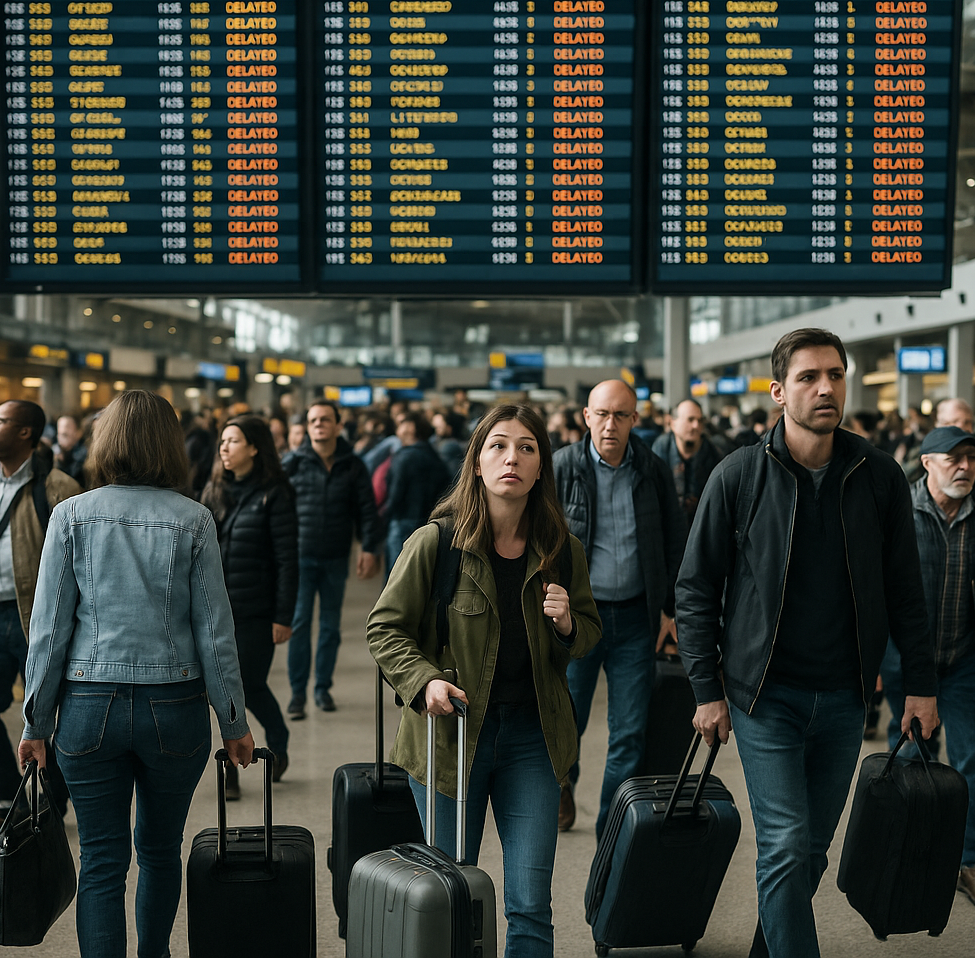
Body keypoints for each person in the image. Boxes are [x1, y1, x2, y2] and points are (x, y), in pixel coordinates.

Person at [675, 328, 939, 958]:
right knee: (787, 844)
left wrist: (921, 686)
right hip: (766, 696)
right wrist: (706, 689)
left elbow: (906, 592)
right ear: (778, 392)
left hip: (846, 697)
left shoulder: (878, 476)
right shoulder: (739, 476)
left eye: (836, 375)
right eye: (808, 377)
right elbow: (695, 589)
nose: (826, 388)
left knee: (810, 850)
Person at [17, 390, 253, 958]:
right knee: (160, 850)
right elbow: (214, 633)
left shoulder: (71, 516)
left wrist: (35, 723)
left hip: (87, 707)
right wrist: (234, 721)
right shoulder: (194, 520)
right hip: (174, 707)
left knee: (101, 858)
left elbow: (48, 632)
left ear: (106, 441)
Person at [367, 404, 601, 958]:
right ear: (477, 462)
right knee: (450, 896)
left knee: (530, 904)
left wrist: (568, 624)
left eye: (526, 448)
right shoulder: (436, 543)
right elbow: (385, 628)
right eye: (498, 445)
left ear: (540, 468)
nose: (511, 458)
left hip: (533, 739)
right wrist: (424, 681)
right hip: (452, 739)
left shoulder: (562, 552)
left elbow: (589, 633)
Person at [553, 380, 687, 837]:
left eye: (621, 415)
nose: (610, 425)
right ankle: (563, 784)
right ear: (586, 417)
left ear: (634, 419)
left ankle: (611, 828)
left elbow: (674, 541)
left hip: (635, 619)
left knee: (629, 732)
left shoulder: (652, 469)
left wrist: (669, 609)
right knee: (568, 721)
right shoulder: (563, 467)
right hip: (578, 620)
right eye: (602, 414)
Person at [0, 401, 82, 843]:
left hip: (39, 623)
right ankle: (14, 802)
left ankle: (51, 806)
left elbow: (77, 563)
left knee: (50, 720)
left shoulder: (59, 487)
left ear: (26, 432)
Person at [877, 424, 975, 906]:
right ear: (926, 464)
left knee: (972, 758)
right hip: (906, 660)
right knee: (911, 757)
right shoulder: (898, 509)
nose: (965, 467)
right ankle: (906, 856)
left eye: (971, 458)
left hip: (963, 658)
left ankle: (970, 861)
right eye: (953, 458)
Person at [202, 415, 296, 795]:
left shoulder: (275, 492)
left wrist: (283, 615)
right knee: (220, 687)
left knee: (250, 684)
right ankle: (231, 768)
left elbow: (287, 558)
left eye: (234, 441)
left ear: (255, 447)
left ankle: (278, 737)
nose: (224, 447)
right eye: (223, 441)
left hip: (256, 607)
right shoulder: (213, 490)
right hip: (215, 607)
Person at [282, 398, 381, 718]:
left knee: (330, 627)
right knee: (299, 625)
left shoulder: (353, 465)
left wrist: (369, 547)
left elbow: (366, 509)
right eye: (313, 420)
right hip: (300, 557)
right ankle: (298, 693)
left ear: (338, 426)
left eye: (325, 419)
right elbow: (277, 511)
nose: (318, 425)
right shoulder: (292, 464)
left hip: (336, 558)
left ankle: (322, 688)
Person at [383, 413, 453, 577]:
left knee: (396, 575)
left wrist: (383, 518)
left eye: (401, 425)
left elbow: (395, 494)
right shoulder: (434, 455)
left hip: (402, 521)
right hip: (429, 522)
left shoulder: (404, 457)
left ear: (410, 428)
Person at [651, 399, 723, 529]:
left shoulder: (714, 454)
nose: (696, 425)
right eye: (690, 420)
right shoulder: (659, 451)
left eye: (700, 420)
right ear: (673, 423)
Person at [54, 413, 89, 485]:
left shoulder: (85, 453)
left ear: (78, 432)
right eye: (60, 427)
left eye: (67, 427)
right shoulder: (53, 452)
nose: (62, 431)